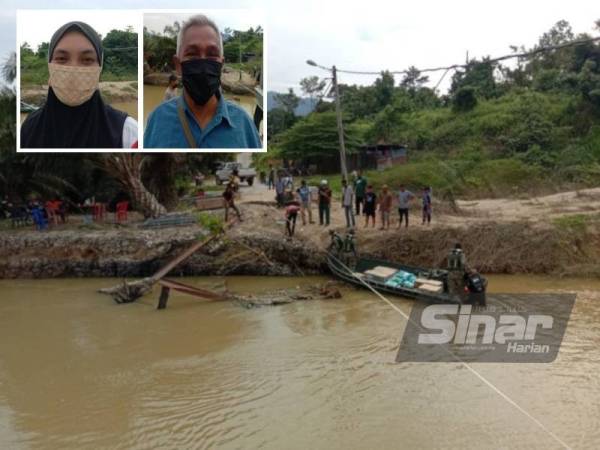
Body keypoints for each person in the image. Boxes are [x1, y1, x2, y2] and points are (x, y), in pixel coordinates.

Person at [144, 14, 261, 149]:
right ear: (178, 65)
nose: (203, 63)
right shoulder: (157, 120)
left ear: (221, 65)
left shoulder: (244, 124)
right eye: (192, 54)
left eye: (212, 54)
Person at [21, 21, 138, 148]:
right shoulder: (29, 128)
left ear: (100, 69)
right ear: (49, 65)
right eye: (61, 59)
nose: (74, 69)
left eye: (87, 60)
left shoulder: (127, 133)